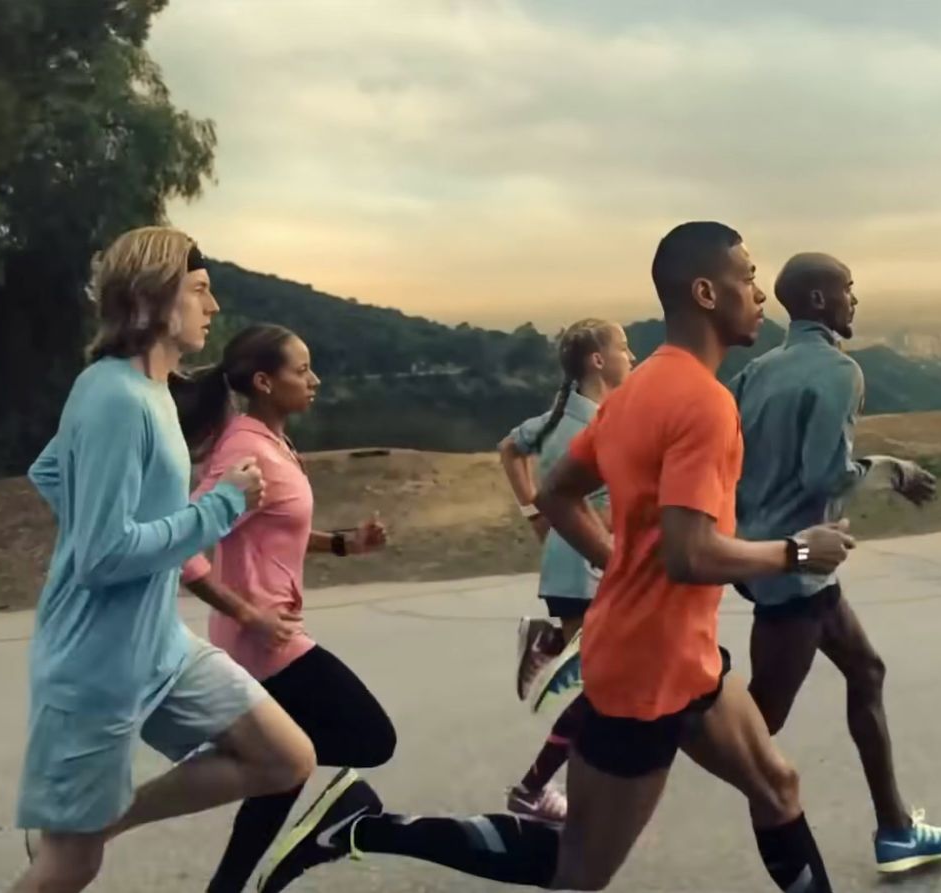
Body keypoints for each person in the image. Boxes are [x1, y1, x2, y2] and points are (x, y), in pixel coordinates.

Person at [253, 221, 857, 893]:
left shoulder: (641, 389)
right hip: (645, 669)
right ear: (707, 291)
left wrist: (618, 556)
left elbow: (557, 491)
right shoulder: (703, 403)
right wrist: (799, 550)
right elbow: (690, 554)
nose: (760, 293)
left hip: (683, 653)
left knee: (778, 783)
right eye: (747, 277)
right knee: (578, 867)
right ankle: (364, 823)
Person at [10, 228, 316, 893]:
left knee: (285, 755)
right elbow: (102, 555)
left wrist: (104, 516)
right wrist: (220, 507)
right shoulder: (115, 395)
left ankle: (103, 817)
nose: (212, 305)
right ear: (154, 299)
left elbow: (49, 470)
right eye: (200, 290)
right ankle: (85, 827)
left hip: (158, 645)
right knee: (70, 863)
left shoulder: (148, 390)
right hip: (96, 662)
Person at [729, 251, 941, 874]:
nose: (853, 301)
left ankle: (894, 830)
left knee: (866, 671)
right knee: (751, 724)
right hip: (795, 567)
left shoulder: (757, 370)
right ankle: (619, 748)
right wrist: (892, 470)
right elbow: (824, 472)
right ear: (817, 301)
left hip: (773, 559)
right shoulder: (839, 371)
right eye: (847, 291)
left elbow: (731, 457)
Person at [168, 322, 395, 892]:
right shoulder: (244, 451)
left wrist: (343, 543)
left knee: (284, 775)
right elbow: (182, 552)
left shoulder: (269, 440)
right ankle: (324, 811)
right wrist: (251, 615)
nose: (314, 380)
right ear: (265, 382)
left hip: (267, 638)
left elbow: (273, 526)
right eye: (302, 370)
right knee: (371, 739)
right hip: (265, 644)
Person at [498, 318, 635, 821]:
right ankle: (535, 788)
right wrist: (541, 510)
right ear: (597, 361)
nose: (632, 356)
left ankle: (549, 644)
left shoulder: (563, 416)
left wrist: (535, 510)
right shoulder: (593, 425)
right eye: (624, 347)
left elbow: (510, 448)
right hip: (583, 568)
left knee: (607, 678)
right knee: (603, 685)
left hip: (576, 565)